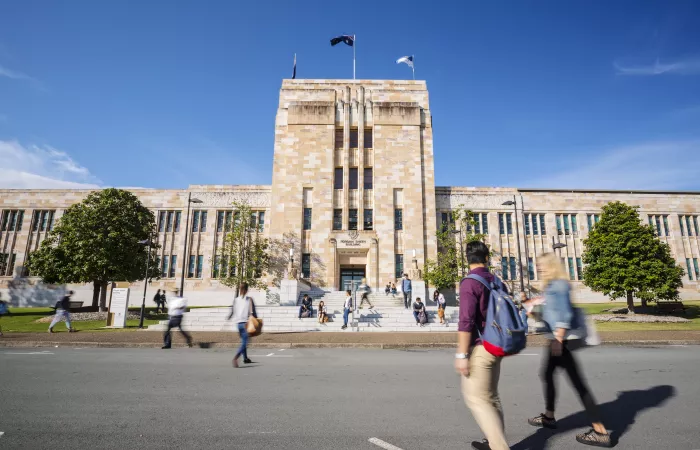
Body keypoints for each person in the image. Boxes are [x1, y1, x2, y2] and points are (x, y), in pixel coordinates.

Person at [527, 253, 611, 448]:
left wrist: (558, 338)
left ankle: (600, 432)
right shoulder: (551, 286)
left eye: (542, 265)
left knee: (578, 384)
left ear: (552, 265)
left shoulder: (559, 284)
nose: (539, 268)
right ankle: (549, 416)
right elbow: (550, 313)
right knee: (547, 375)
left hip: (560, 340)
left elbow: (564, 312)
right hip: (556, 339)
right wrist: (534, 311)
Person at [455, 241, 508, 450]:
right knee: (491, 397)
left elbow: (465, 321)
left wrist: (461, 355)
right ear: (486, 258)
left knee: (476, 398)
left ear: (467, 259)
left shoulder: (470, 282)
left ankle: (499, 446)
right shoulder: (496, 281)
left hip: (482, 347)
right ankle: (492, 440)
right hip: (498, 343)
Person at [227, 282, 258, 368]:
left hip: (238, 324)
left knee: (243, 341)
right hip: (246, 323)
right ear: (247, 290)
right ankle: (236, 357)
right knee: (246, 342)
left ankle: (245, 358)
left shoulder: (236, 300)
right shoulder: (249, 299)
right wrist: (257, 321)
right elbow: (253, 313)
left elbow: (232, 311)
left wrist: (228, 317)